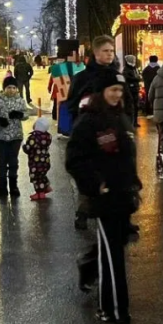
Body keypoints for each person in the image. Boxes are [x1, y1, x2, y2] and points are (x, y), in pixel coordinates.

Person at [65, 68, 140, 324]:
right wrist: (96, 185)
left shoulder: (120, 117)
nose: (117, 95)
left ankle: (98, 286)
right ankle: (115, 310)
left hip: (124, 196)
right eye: (113, 90)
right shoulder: (89, 121)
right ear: (101, 92)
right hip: (106, 199)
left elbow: (127, 156)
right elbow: (74, 160)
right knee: (113, 258)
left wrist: (134, 183)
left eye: (120, 90)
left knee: (114, 252)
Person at [66, 36, 118, 229]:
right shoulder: (82, 78)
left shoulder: (116, 76)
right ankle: (83, 211)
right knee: (90, 175)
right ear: (96, 53)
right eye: (106, 51)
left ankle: (113, 214)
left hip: (113, 134)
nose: (109, 54)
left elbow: (126, 104)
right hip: (90, 136)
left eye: (111, 51)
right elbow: (72, 105)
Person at [0, 75, 36, 200]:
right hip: (1, 137)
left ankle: (13, 186)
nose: (12, 90)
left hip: (15, 136)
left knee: (13, 161)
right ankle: (2, 187)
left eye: (14, 87)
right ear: (4, 88)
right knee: (2, 162)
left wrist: (20, 114)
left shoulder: (20, 100)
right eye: (9, 87)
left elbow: (26, 115)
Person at [23, 117, 53, 201]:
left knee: (36, 177)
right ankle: (46, 187)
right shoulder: (48, 136)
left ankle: (40, 193)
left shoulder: (33, 138)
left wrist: (24, 146)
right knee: (42, 175)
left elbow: (28, 149)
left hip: (35, 163)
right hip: (45, 161)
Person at [122, 55, 141, 127]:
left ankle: (135, 122)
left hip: (135, 89)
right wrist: (136, 79)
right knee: (130, 106)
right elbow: (127, 78)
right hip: (130, 90)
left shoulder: (134, 69)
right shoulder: (126, 69)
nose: (134, 61)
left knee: (136, 106)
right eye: (133, 60)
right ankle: (130, 122)